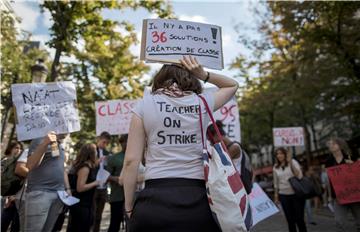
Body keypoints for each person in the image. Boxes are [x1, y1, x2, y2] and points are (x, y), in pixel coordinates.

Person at [122, 55, 238, 231]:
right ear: (192, 78)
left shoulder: (144, 105)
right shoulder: (202, 102)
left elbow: (131, 161)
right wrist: (203, 74)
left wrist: (129, 206)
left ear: (160, 78)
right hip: (197, 199)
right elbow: (232, 85)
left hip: (153, 200)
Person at [24, 132, 71, 232]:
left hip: (58, 194)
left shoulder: (58, 144)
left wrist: (67, 188)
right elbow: (30, 165)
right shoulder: (39, 139)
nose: (69, 131)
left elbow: (61, 168)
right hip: (40, 193)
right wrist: (45, 143)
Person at [206, 120, 253, 194]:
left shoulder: (234, 148)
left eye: (210, 139)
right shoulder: (227, 148)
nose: (210, 143)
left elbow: (219, 166)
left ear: (217, 135)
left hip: (238, 188)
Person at [326, 138, 360, 232]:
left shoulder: (350, 157)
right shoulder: (329, 161)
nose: (331, 145)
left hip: (354, 194)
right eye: (330, 144)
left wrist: (354, 165)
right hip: (338, 196)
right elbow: (329, 180)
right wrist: (329, 195)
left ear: (340, 145)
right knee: (339, 221)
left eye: (334, 143)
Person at [67, 143, 100, 232]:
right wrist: (95, 183)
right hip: (81, 205)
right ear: (90, 153)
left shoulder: (88, 165)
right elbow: (80, 188)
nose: (97, 152)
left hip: (86, 204)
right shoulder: (85, 168)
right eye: (95, 151)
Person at [273, 147, 307, 232]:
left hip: (296, 194)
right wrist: (276, 196)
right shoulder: (275, 167)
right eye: (277, 154)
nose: (279, 155)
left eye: (281, 153)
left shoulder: (293, 162)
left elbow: (299, 176)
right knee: (290, 220)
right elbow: (276, 183)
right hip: (283, 195)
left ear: (285, 154)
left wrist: (290, 161)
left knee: (299, 219)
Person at [106, 135, 127, 232]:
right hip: (117, 196)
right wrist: (118, 179)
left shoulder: (140, 156)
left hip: (135, 195)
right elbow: (105, 176)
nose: (126, 144)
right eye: (124, 142)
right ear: (121, 143)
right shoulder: (114, 158)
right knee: (115, 223)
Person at [1, 141, 23, 232]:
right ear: (10, 148)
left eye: (20, 148)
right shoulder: (4, 160)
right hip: (4, 196)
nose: (18, 150)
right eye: (16, 148)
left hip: (16, 197)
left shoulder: (21, 163)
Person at [92, 131, 112, 232]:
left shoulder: (108, 153)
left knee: (99, 215)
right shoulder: (91, 150)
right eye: (104, 142)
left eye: (107, 143)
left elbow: (110, 170)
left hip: (103, 187)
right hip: (93, 186)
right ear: (99, 139)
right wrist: (98, 161)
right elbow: (87, 166)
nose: (105, 145)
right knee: (92, 214)